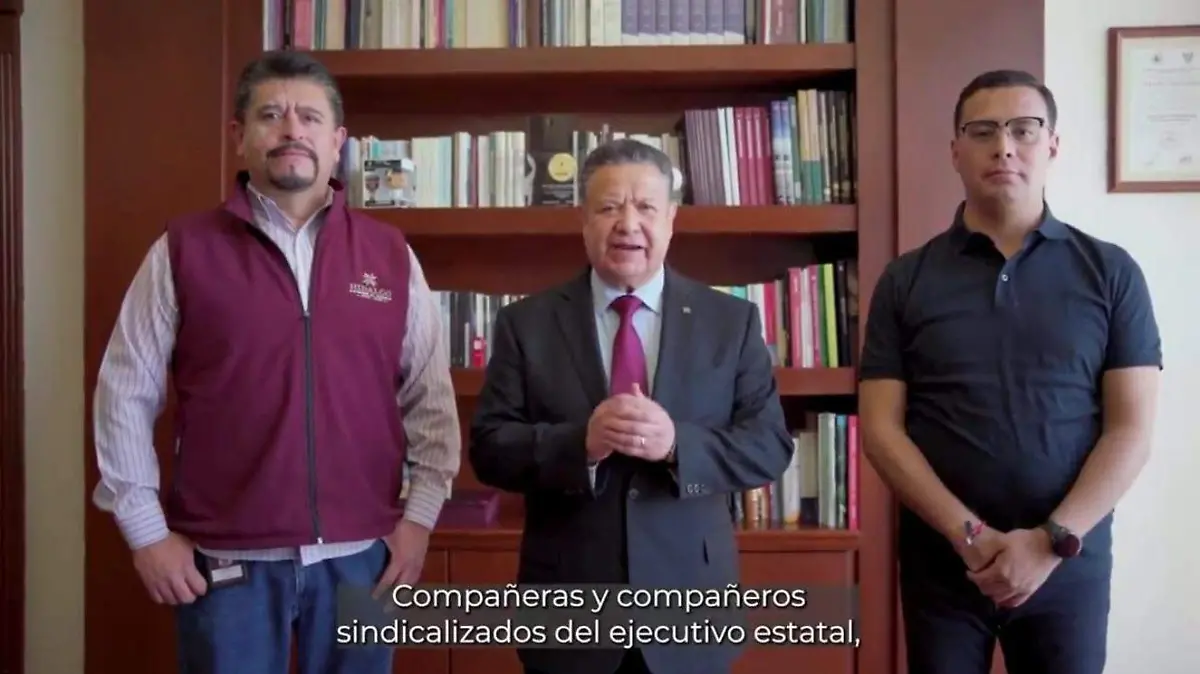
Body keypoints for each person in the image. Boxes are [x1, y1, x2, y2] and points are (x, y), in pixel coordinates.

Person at [91, 50, 461, 674]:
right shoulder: (183, 250)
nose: (292, 130)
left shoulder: (389, 254)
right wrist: (146, 532)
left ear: (337, 141)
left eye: (310, 117)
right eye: (271, 115)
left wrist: (419, 520)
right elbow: (124, 394)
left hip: (361, 561)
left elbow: (431, 398)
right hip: (225, 563)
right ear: (240, 136)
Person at [858, 69, 1162, 674]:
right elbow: (881, 430)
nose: (1003, 147)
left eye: (1024, 129)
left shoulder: (1111, 272)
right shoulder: (905, 279)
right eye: (983, 131)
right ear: (955, 150)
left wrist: (1050, 541)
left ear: (1052, 145)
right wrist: (969, 536)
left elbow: (1131, 430)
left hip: (1067, 561)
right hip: (944, 564)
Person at [468, 138, 794, 674]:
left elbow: (768, 446)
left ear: (671, 219)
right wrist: (580, 444)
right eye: (609, 207)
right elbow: (490, 448)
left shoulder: (730, 322)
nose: (628, 224)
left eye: (645, 207)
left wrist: (677, 445)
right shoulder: (526, 323)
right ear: (584, 220)